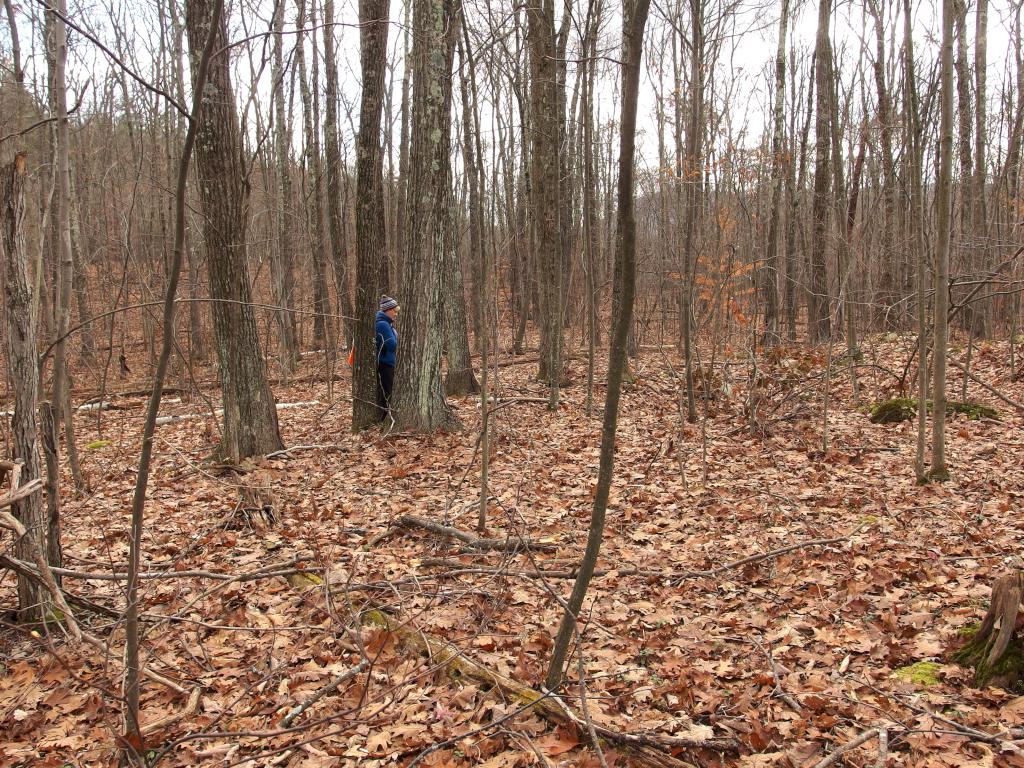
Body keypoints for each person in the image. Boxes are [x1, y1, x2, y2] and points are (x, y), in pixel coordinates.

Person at [375, 295, 399, 421]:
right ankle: (383, 419)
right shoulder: (383, 324)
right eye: (395, 310)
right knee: (387, 393)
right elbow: (392, 344)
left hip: (389, 363)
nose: (396, 313)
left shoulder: (388, 324)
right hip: (385, 364)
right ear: (387, 310)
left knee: (388, 392)